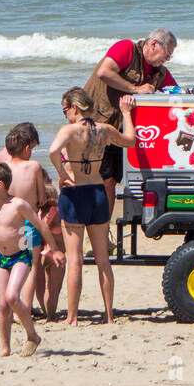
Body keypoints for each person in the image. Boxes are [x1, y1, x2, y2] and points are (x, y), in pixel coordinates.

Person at [49, 89, 136, 325]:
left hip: (75, 193)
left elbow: (52, 150)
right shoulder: (104, 129)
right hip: (97, 193)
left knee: (75, 260)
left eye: (65, 109)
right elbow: (130, 141)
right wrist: (126, 113)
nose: (64, 113)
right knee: (103, 261)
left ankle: (72, 317)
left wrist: (60, 173)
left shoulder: (69, 130)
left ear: (74, 108)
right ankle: (109, 315)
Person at [0, 162, 62, 357]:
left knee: (12, 297)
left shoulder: (18, 205)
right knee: (3, 304)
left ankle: (32, 335)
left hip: (21, 255)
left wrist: (55, 249)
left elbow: (41, 226)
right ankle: (5, 348)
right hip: (1, 258)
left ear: (0, 185)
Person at [82, 29, 178, 194]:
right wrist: (136, 89)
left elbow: (176, 94)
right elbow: (104, 72)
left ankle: (103, 221)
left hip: (121, 131)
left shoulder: (160, 72)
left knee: (110, 180)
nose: (167, 59)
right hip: (96, 123)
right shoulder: (126, 48)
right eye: (167, 54)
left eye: (170, 57)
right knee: (93, 179)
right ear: (154, 44)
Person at [0, 123, 47, 317]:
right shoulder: (34, 166)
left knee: (9, 262)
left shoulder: (1, 168)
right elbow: (41, 198)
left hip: (7, 222)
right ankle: (24, 306)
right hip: (27, 224)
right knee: (29, 266)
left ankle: (10, 305)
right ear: (26, 148)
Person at [35, 170, 65, 321]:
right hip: (56, 254)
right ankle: (51, 315)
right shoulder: (57, 212)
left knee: (44, 286)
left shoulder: (39, 214)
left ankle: (45, 310)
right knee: (54, 288)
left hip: (42, 252)